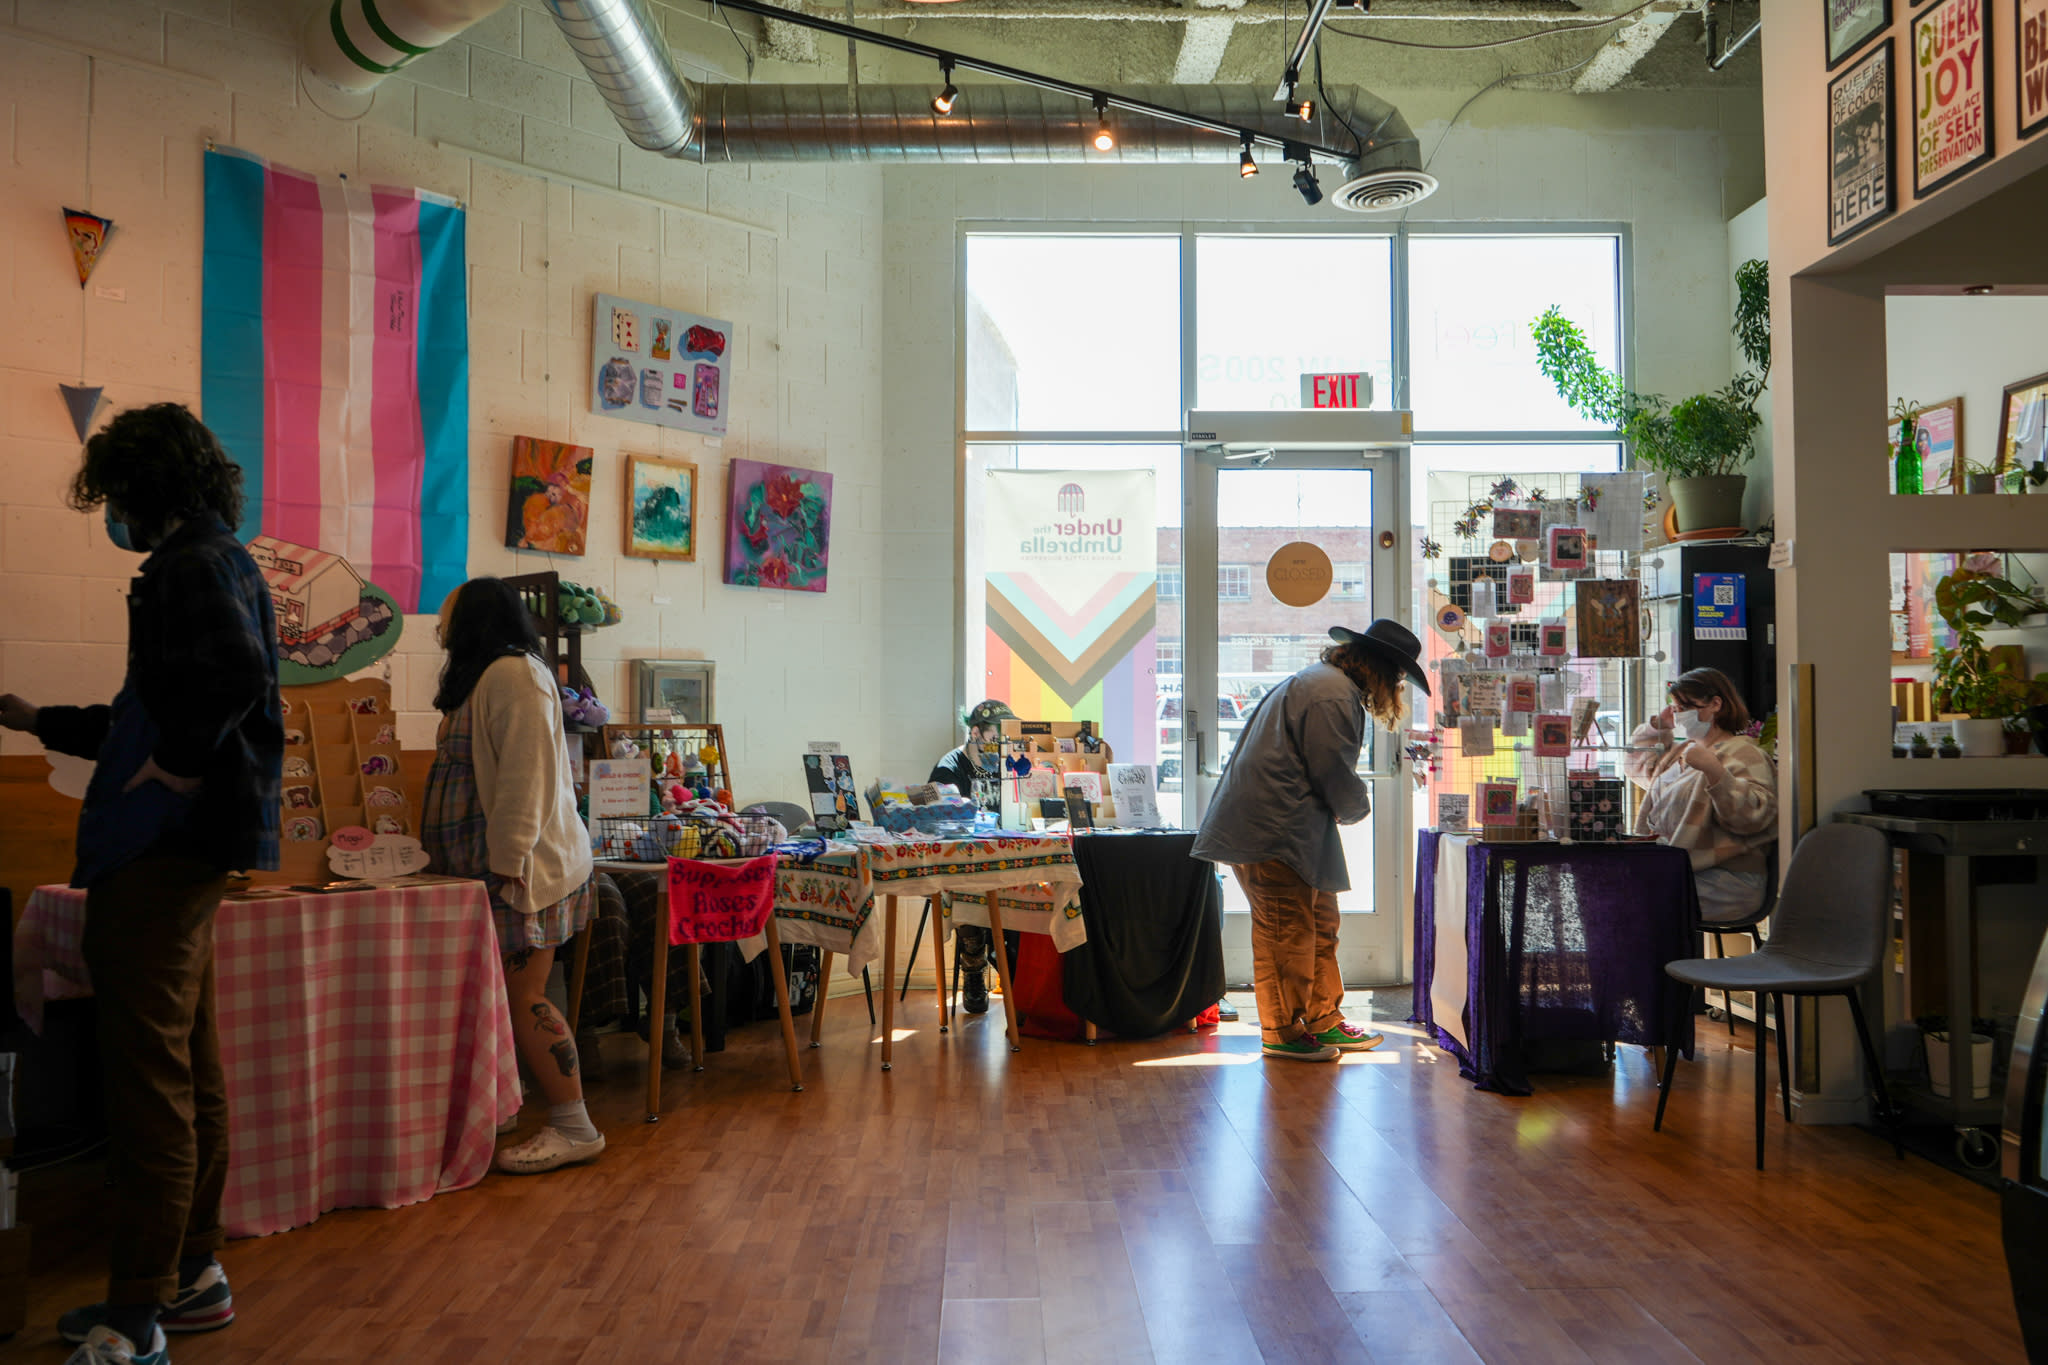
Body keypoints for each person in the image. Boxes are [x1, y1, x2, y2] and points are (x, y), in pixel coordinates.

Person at [0, 404, 281, 1365]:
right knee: (190, 1069)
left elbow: (232, 677)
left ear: (145, 484)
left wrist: (183, 766)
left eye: (117, 491)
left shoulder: (190, 566)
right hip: (183, 855)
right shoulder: (218, 558)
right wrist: (37, 717)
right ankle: (192, 1276)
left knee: (149, 1087)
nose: (113, 510)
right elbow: (138, 718)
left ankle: (135, 1322)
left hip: (159, 851)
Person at [423, 578, 603, 1174]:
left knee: (525, 996)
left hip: (519, 874)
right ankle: (503, 1106)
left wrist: (509, 864)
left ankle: (575, 1126)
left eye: (447, 616)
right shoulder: (486, 677)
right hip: (490, 873)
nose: (440, 628)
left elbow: (528, 780)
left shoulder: (514, 675)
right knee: (500, 996)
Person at [1191, 622, 1428, 1063]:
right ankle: (1282, 1031)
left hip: (1290, 827)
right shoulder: (1331, 694)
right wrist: (1356, 808)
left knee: (1319, 923)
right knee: (1287, 933)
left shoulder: (1326, 684)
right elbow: (1331, 770)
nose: (1397, 687)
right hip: (1274, 830)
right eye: (1397, 676)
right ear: (1378, 669)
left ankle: (1322, 1018)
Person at [1623, 667, 1778, 922]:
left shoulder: (1744, 753)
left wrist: (1716, 773)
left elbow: (1752, 818)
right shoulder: (1682, 751)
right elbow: (1636, 765)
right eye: (1675, 709)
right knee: (1615, 883)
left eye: (1685, 708)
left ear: (1716, 704)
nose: (1679, 716)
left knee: (1631, 896)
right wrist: (1657, 726)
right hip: (1680, 869)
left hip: (1726, 879)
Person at [930, 699, 1016, 1013]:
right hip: (962, 861)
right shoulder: (949, 767)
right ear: (976, 733)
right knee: (970, 885)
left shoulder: (1010, 763)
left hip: (1004, 857)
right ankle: (974, 967)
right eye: (996, 736)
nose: (1001, 744)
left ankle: (1015, 970)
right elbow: (938, 820)